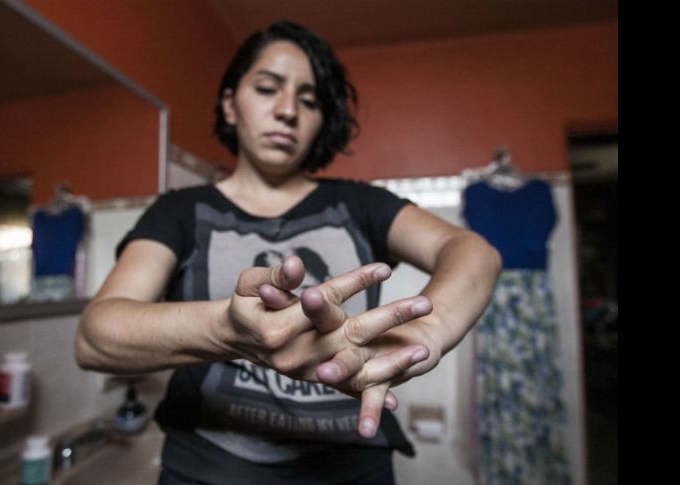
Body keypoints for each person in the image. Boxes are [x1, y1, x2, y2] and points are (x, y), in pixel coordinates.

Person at [75, 20, 502, 485]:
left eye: (309, 100)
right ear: (230, 105)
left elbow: (472, 251)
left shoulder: (361, 204)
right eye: (267, 88)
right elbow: (96, 337)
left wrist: (426, 332)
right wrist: (227, 330)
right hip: (206, 470)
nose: (287, 111)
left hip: (352, 468)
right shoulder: (179, 211)